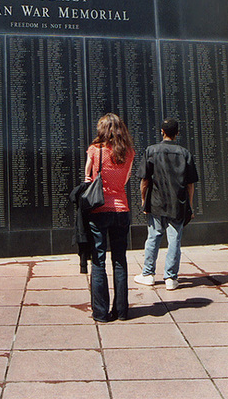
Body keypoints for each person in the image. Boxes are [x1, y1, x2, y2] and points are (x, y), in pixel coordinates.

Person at [134, 117, 198, 290]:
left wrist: (143, 199)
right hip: (178, 204)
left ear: (162, 132)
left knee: (153, 238)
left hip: (156, 203)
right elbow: (190, 184)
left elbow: (145, 180)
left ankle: (148, 274)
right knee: (174, 240)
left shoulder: (151, 151)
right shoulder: (185, 154)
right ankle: (171, 278)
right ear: (177, 133)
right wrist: (190, 206)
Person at [85, 113, 135, 322]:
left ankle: (101, 312)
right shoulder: (129, 153)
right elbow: (126, 179)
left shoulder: (95, 150)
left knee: (98, 261)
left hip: (99, 210)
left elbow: (87, 177)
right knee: (120, 260)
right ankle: (122, 311)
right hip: (121, 210)